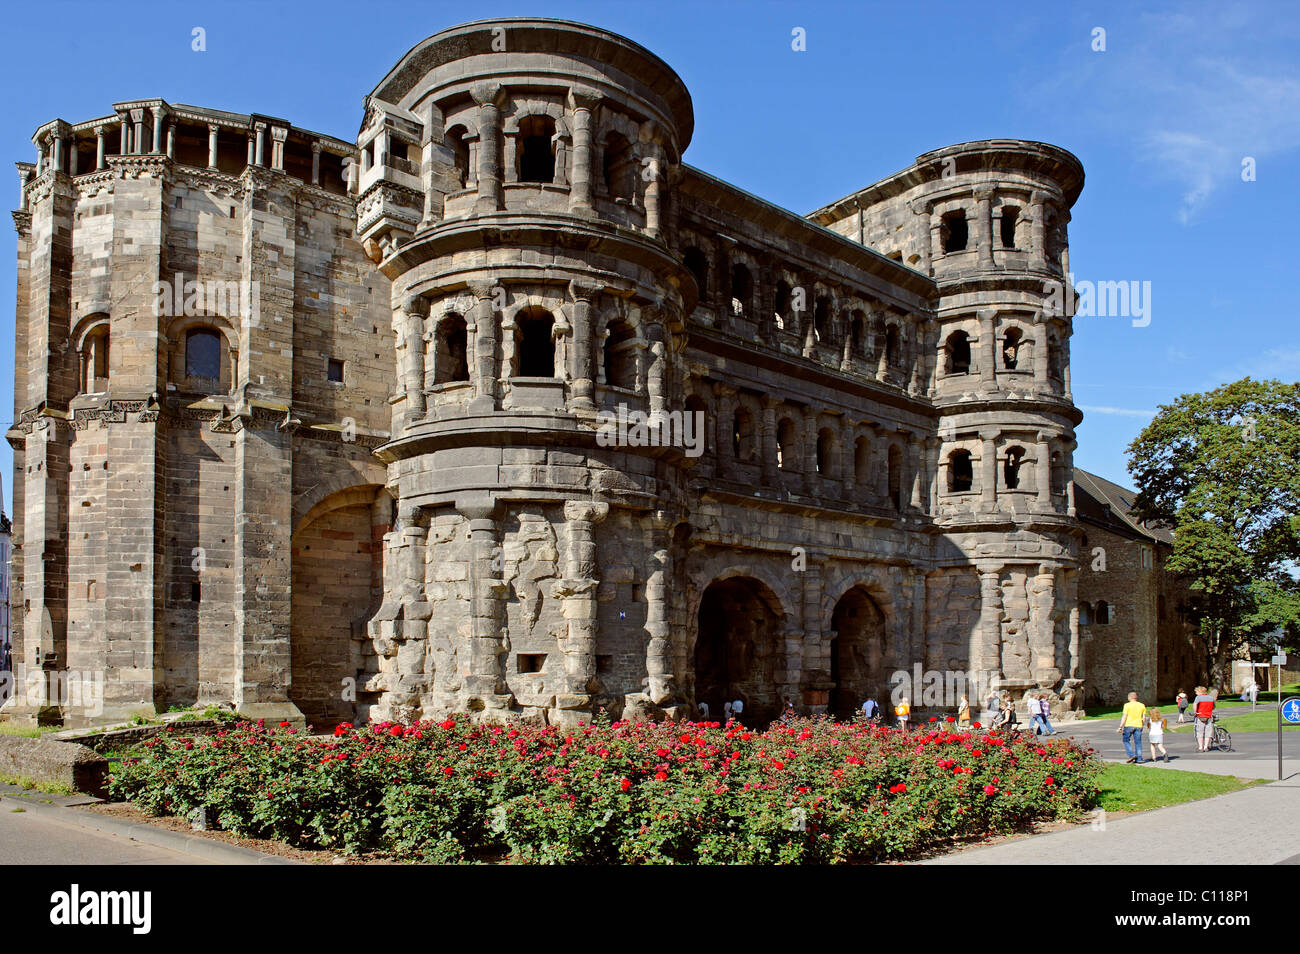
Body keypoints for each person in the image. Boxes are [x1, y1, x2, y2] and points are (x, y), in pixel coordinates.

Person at [1117, 691, 1147, 763]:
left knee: (1126, 740)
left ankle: (1131, 754)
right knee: (1138, 742)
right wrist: (1142, 724)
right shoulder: (1142, 705)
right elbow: (1144, 718)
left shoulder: (1127, 705)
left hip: (1129, 725)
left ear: (1129, 697)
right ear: (1136, 697)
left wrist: (1121, 726)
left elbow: (1124, 716)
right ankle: (1139, 758)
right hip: (1139, 725)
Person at [1191, 686, 1215, 752]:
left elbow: (1195, 704)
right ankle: (1205, 747)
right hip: (1209, 716)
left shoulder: (1198, 698)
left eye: (1196, 692)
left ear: (1200, 691)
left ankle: (1200, 747)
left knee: (1200, 732)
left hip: (1200, 716)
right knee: (1208, 732)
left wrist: (1195, 712)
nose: (1196, 693)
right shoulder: (1211, 698)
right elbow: (1213, 706)